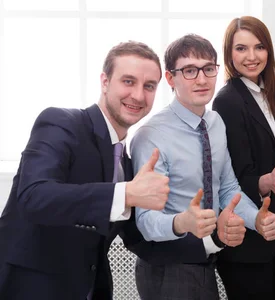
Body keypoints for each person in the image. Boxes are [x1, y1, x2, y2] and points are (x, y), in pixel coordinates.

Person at [0, 41, 170, 300]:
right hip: (31, 287)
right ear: (105, 82)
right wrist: (125, 194)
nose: (138, 95)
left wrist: (189, 227)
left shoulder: (124, 161)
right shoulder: (61, 122)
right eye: (128, 81)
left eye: (149, 86)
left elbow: (136, 238)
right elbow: (34, 196)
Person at [130, 33, 275, 300]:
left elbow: (227, 188)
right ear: (170, 78)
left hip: (207, 259)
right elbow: (144, 222)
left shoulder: (214, 123)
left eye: (208, 69)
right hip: (168, 266)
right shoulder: (151, 136)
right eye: (189, 71)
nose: (201, 79)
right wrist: (182, 222)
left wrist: (256, 219)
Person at [212, 16, 275, 300]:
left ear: (269, 51)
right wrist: (266, 181)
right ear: (229, 54)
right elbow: (234, 177)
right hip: (249, 238)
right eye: (241, 49)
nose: (251, 57)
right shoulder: (226, 100)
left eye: (259, 47)